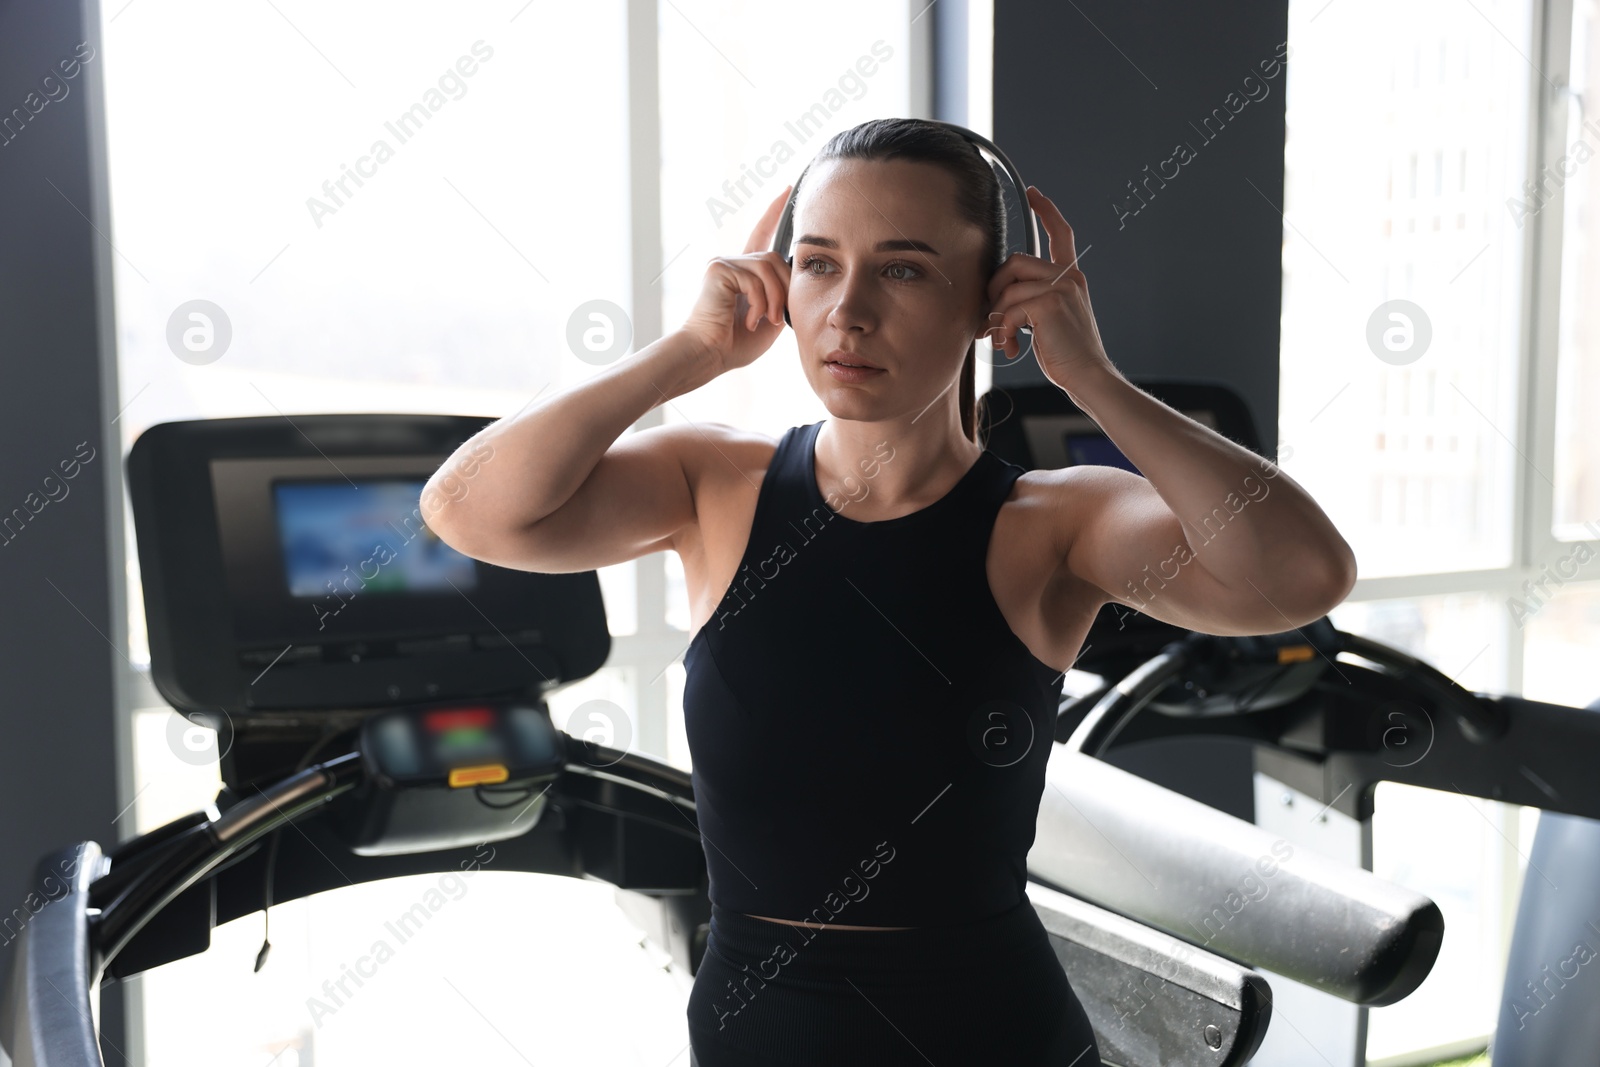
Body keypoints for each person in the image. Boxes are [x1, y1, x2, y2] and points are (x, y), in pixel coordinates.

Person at [424, 117, 1356, 1066]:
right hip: (755, 1031)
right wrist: (689, 352)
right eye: (820, 265)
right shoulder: (714, 487)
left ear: (993, 300)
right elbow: (467, 511)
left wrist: (1091, 376)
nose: (849, 311)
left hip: (991, 1034)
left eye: (903, 269)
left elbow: (1300, 577)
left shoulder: (1052, 524)